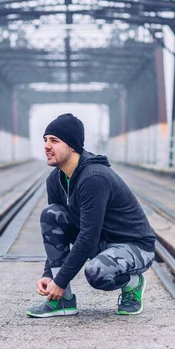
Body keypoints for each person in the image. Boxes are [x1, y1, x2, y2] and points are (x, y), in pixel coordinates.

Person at [26, 113, 156, 318]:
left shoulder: (94, 178)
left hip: (134, 246)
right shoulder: (55, 179)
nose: (46, 146)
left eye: (54, 140)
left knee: (97, 273)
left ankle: (133, 282)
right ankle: (62, 300)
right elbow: (57, 233)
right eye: (45, 140)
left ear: (73, 146)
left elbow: (88, 236)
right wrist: (49, 275)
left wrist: (59, 281)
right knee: (51, 214)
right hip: (101, 244)